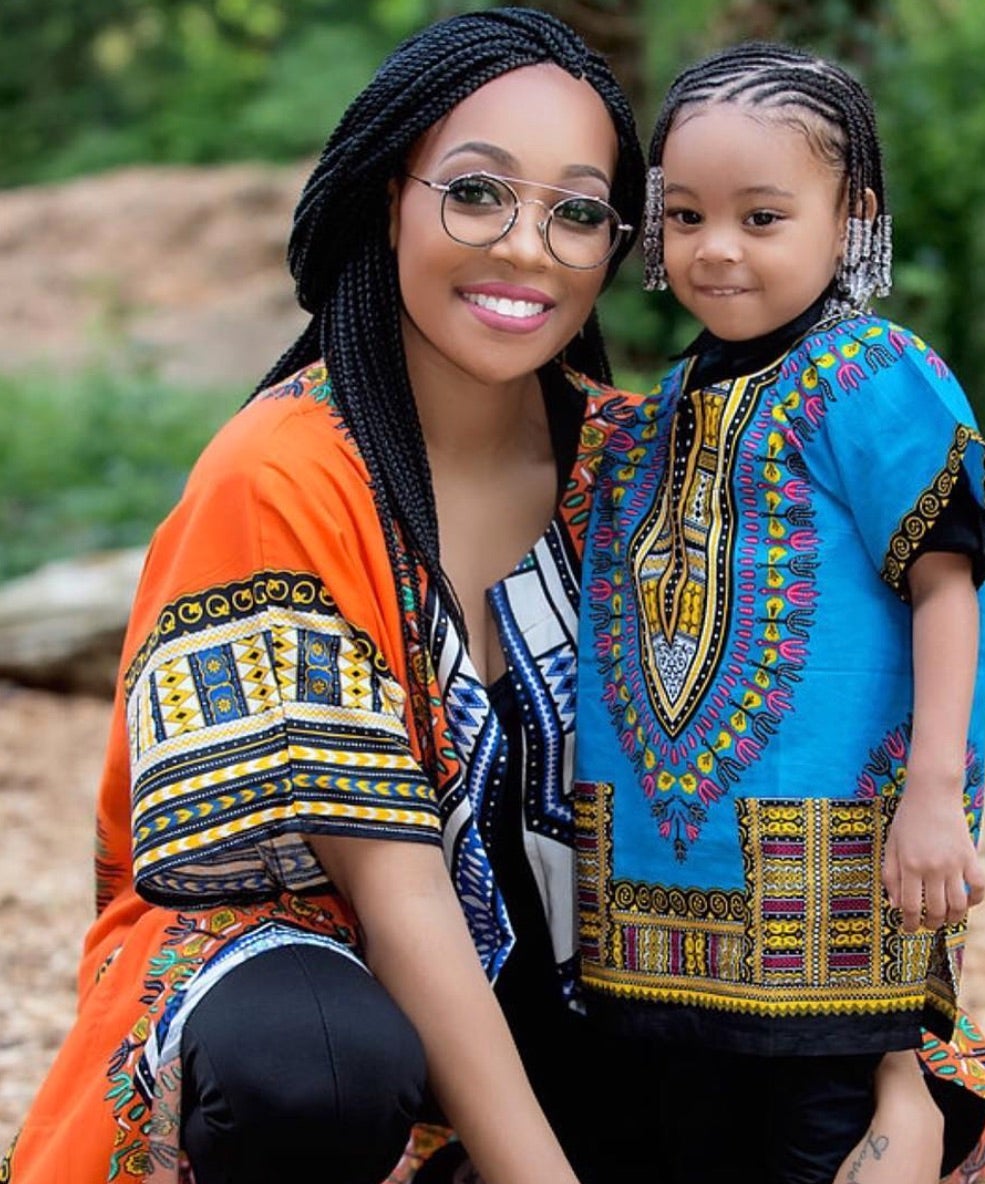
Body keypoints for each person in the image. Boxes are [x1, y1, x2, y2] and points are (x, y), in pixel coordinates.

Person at [3, 10, 652, 1184]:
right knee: (313, 1067)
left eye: (578, 210)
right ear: (384, 195)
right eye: (476, 192)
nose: (528, 247)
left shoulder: (640, 469)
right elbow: (395, 886)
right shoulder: (287, 471)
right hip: (310, 953)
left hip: (571, 966)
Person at [573, 43, 985, 1184]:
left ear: (853, 220)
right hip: (667, 908)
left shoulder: (876, 373)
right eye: (685, 214)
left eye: (761, 215)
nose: (716, 248)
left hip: (833, 891)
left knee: (815, 1141)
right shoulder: (676, 398)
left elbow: (951, 579)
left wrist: (937, 793)